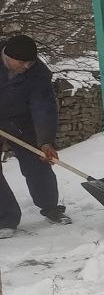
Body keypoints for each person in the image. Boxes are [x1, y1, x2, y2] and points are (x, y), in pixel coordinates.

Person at [1, 33, 71, 238]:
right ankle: (5, 218)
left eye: (30, 62)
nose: (26, 66)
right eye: (21, 62)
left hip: (22, 121)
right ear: (7, 56)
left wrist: (46, 141)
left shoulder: (38, 73)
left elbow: (43, 107)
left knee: (37, 161)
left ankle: (50, 207)